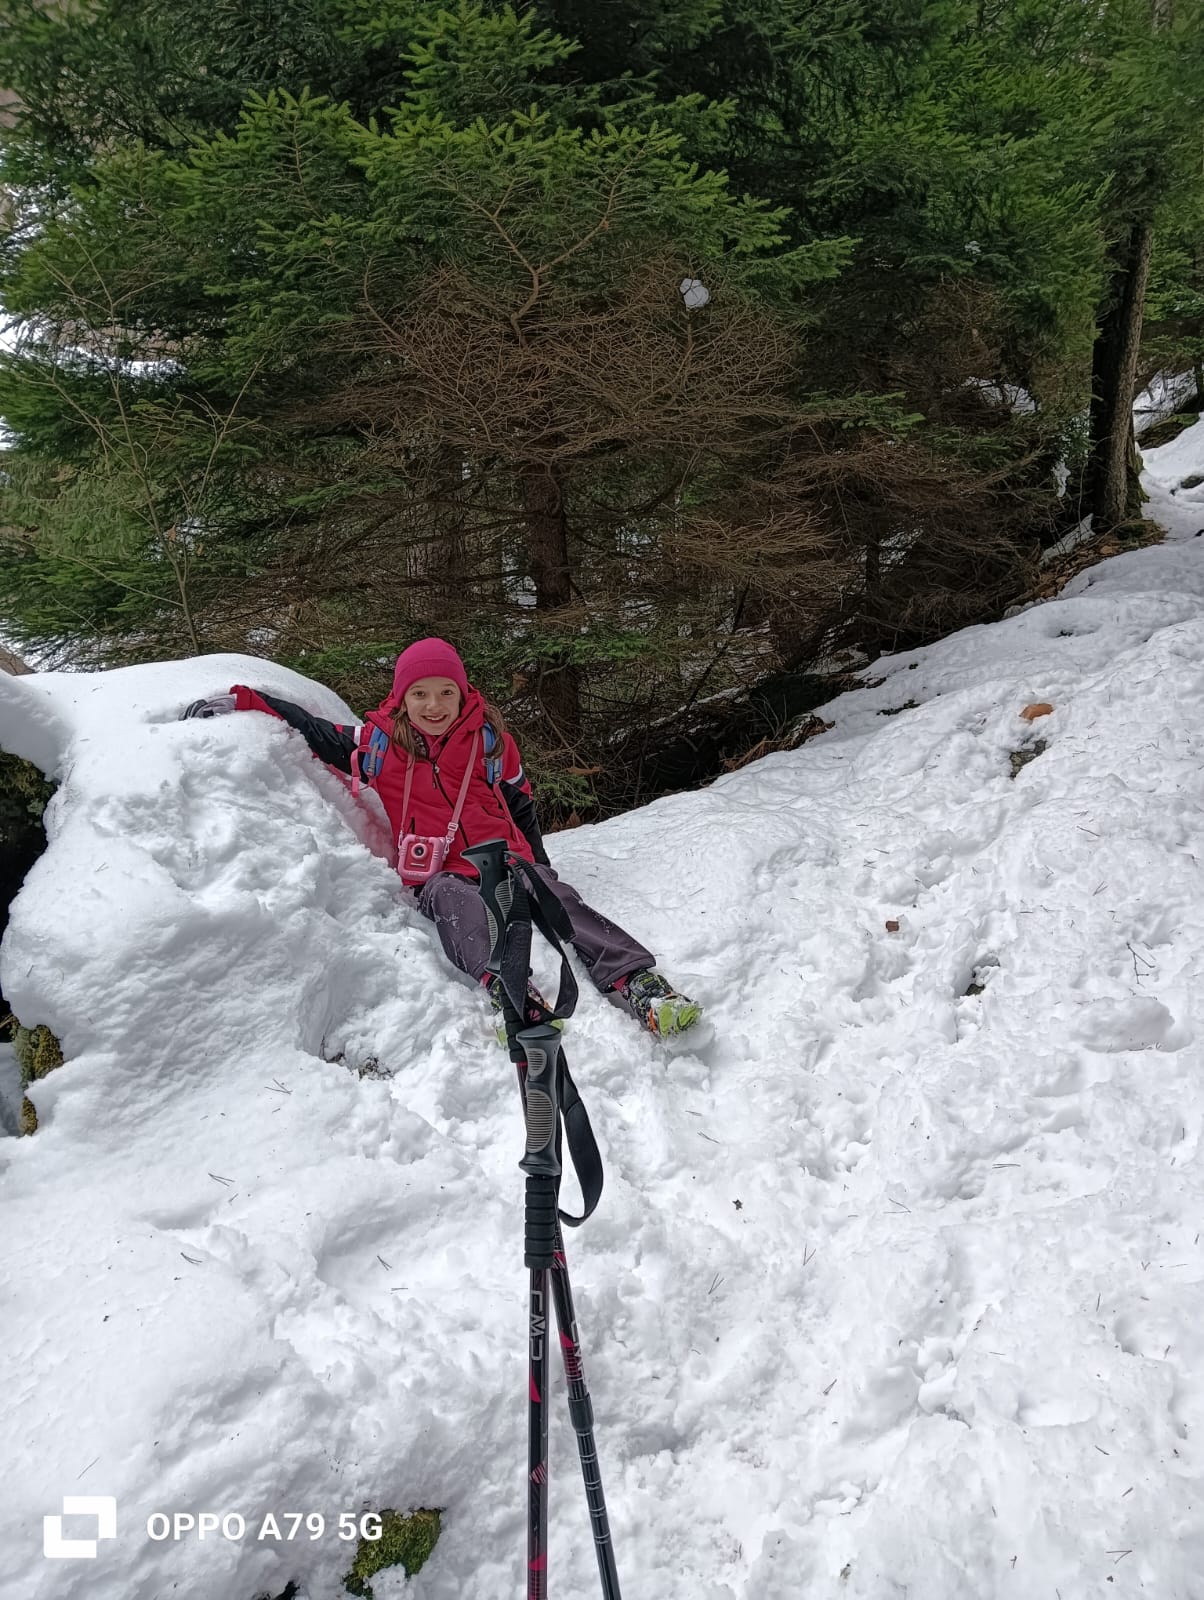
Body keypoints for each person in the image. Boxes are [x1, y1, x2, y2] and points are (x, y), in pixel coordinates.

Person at [184, 637, 701, 1037]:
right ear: (402, 697)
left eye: (445, 693)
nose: (434, 706)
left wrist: (540, 862)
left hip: (505, 856)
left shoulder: (491, 743)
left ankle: (640, 983)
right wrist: (246, 700)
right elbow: (316, 732)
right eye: (420, 694)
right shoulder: (379, 747)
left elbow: (520, 803)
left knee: (559, 901)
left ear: (462, 693)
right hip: (441, 871)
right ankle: (511, 992)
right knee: (456, 906)